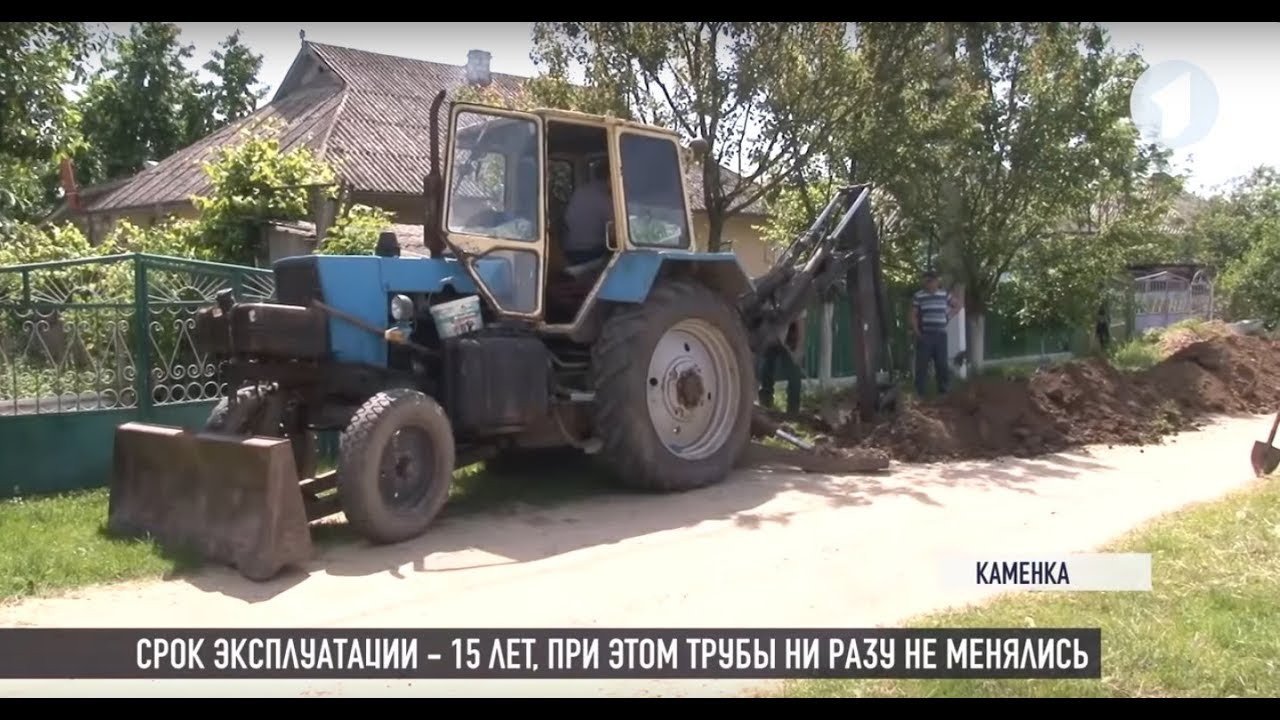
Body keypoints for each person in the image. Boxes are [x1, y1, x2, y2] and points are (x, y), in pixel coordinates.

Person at [911, 269, 959, 397]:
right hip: (925, 334)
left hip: (940, 335)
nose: (928, 284)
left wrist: (948, 317)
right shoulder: (919, 296)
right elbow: (914, 315)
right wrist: (916, 331)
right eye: (926, 281)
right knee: (922, 364)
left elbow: (957, 305)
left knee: (941, 363)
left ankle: (943, 391)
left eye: (930, 281)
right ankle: (919, 393)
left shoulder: (944, 294)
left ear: (937, 281)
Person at [563, 160, 614, 266]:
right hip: (592, 252)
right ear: (611, 176)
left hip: (569, 250)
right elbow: (615, 231)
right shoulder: (604, 197)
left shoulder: (580, 191)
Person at [758, 310, 806, 416]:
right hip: (771, 334)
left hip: (790, 336)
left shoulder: (796, 298)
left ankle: (793, 412)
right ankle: (765, 407)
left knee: (794, 374)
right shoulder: (769, 299)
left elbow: (800, 323)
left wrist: (798, 349)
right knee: (766, 370)